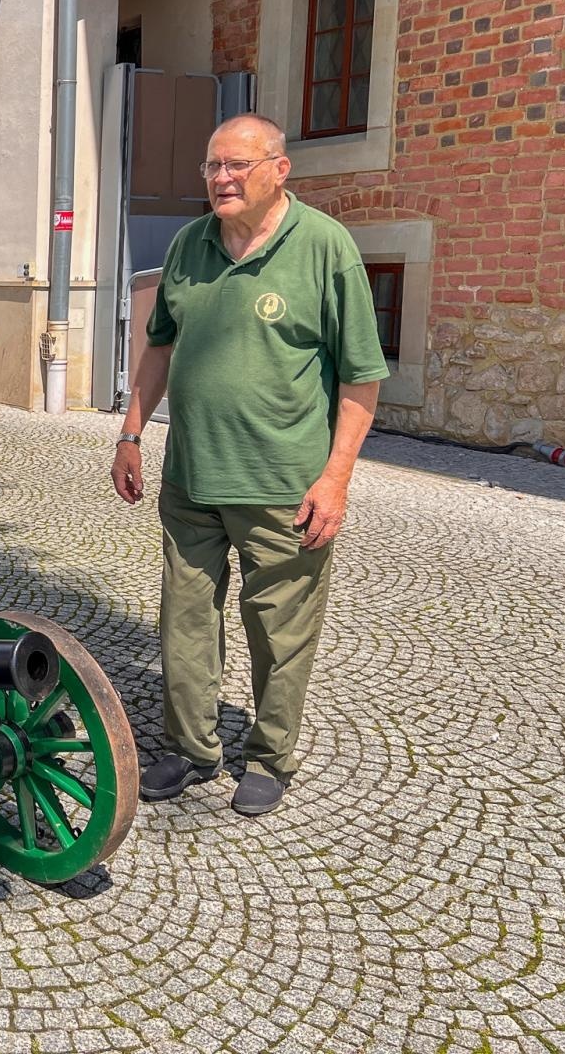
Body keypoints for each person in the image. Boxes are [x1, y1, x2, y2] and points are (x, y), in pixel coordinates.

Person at [111, 113, 387, 816]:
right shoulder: (189, 245)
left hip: (282, 489)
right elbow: (160, 346)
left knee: (279, 632)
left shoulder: (325, 247)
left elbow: (361, 379)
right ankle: (191, 748)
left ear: (279, 170)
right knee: (185, 623)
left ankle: (269, 756)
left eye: (238, 165)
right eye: (212, 166)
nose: (222, 178)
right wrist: (131, 433)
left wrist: (335, 479)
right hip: (191, 479)